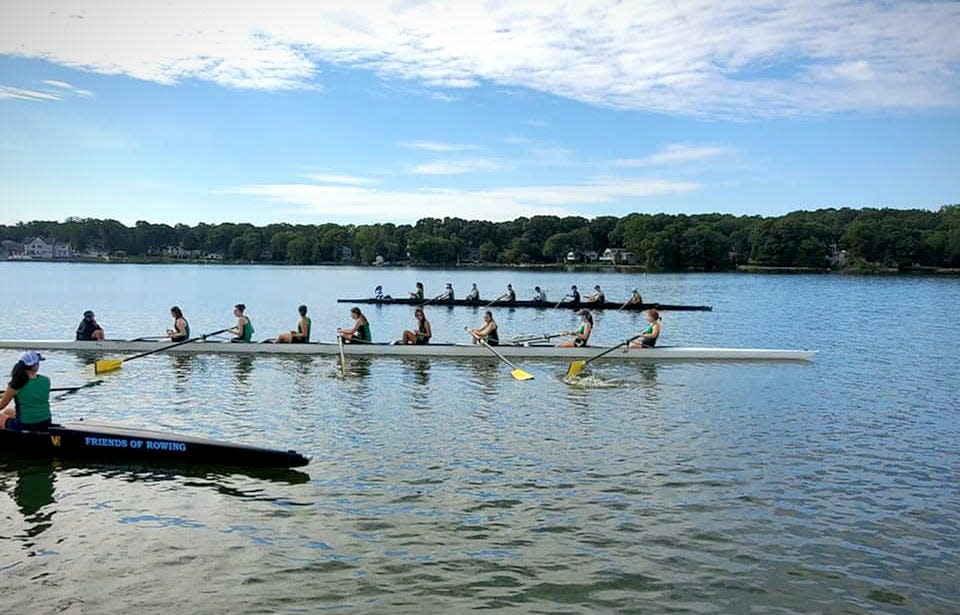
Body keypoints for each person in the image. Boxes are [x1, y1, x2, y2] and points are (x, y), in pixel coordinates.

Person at [0, 351, 52, 431]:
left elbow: (1, 406)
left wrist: (7, 394)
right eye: (38, 363)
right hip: (46, 421)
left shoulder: (17, 383)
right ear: (34, 367)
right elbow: (31, 394)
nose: (39, 365)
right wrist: (5, 394)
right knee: (8, 411)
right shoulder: (46, 380)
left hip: (25, 425)